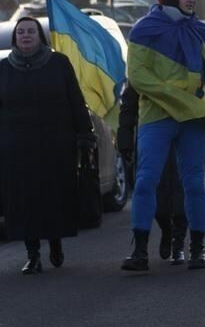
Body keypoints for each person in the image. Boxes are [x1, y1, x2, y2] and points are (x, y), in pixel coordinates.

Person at [122, 0, 205, 272]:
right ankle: (140, 251)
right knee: (146, 181)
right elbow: (138, 77)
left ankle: (197, 248)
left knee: (194, 184)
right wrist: (179, 99)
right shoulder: (144, 30)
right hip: (157, 116)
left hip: (193, 119)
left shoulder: (199, 29)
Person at [0, 17, 96, 274]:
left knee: (53, 198)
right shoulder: (3, 69)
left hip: (56, 145)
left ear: (40, 37)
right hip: (17, 149)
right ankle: (33, 254)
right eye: (21, 32)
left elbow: (76, 100)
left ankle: (55, 243)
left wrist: (85, 134)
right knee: (24, 202)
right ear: (15, 39)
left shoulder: (58, 64)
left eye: (31, 31)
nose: (26, 35)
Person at [118, 82, 188, 265]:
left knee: (181, 189)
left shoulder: (182, 59)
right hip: (151, 133)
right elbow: (129, 104)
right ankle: (165, 230)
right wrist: (124, 136)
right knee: (149, 189)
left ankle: (178, 241)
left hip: (181, 133)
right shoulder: (143, 61)